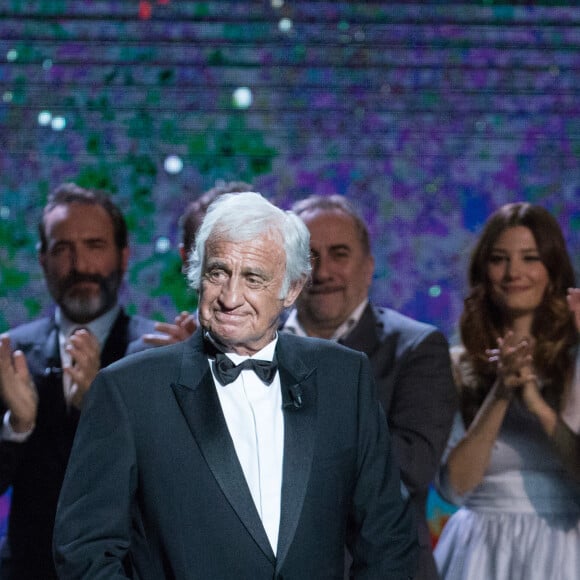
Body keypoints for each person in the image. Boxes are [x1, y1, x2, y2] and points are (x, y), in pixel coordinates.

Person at [53, 192, 419, 579]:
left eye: (253, 278)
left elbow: (387, 541)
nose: (230, 298)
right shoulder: (128, 391)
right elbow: (84, 552)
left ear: (292, 288)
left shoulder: (344, 378)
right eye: (217, 273)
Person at [281, 194, 456, 580]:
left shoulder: (415, 347)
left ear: (368, 267)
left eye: (339, 254)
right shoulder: (255, 345)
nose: (322, 271)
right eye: (309, 256)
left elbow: (410, 467)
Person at [0, 183, 156, 579]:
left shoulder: (160, 353)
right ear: (42, 259)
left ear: (123, 256)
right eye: (62, 249)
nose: (79, 264)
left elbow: (176, 492)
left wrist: (102, 413)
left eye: (94, 245)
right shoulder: (8, 354)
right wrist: (17, 429)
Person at [433, 202, 580, 579]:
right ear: (484, 271)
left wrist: (536, 404)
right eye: (500, 259)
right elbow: (453, 489)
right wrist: (500, 392)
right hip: (479, 549)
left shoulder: (576, 358)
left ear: (552, 269)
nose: (514, 272)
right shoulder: (456, 363)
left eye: (530, 258)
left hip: (564, 546)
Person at [143, 180, 253, 347]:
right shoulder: (148, 357)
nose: (232, 290)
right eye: (215, 266)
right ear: (186, 260)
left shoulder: (297, 349)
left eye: (247, 258)